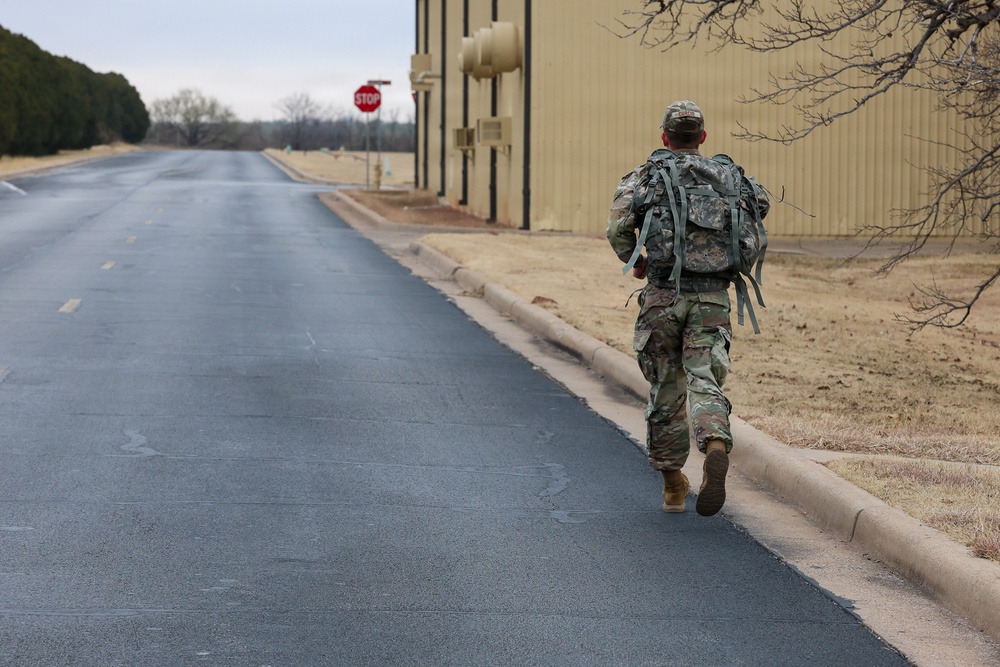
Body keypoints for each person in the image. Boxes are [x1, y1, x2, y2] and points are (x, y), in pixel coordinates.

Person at [606, 100, 769, 516]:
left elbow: (618, 227)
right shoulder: (730, 176)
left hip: (663, 297)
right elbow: (759, 209)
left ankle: (673, 488)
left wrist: (636, 261)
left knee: (666, 387)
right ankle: (714, 444)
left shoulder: (646, 175)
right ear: (703, 137)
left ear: (665, 137)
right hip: (712, 298)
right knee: (703, 378)